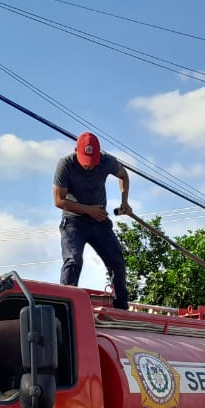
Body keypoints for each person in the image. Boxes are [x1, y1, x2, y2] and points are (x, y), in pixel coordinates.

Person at [53, 132, 132, 310]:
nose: (89, 167)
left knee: (116, 261)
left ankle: (121, 306)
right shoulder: (66, 165)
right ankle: (65, 305)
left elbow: (124, 175)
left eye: (92, 162)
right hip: (73, 222)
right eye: (85, 162)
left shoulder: (107, 161)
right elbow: (59, 201)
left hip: (99, 222)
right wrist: (89, 210)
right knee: (73, 261)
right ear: (76, 151)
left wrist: (125, 201)